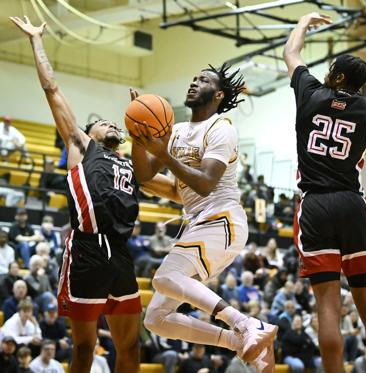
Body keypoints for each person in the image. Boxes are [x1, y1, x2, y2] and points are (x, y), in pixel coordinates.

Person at [10, 16, 141, 373]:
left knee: (130, 346)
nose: (111, 123)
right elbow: (52, 89)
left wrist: (146, 128)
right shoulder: (82, 147)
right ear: (88, 132)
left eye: (114, 122)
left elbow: (167, 178)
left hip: (121, 253)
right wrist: (37, 41)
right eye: (103, 122)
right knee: (84, 348)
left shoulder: (127, 161)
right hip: (87, 250)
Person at [132, 63, 277, 371]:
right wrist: (138, 135)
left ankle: (244, 322)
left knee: (163, 277)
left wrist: (164, 153)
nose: (194, 82)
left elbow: (206, 182)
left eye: (203, 80)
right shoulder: (177, 132)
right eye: (193, 77)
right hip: (201, 224)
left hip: (223, 219)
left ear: (218, 94)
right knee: (156, 318)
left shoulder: (221, 128)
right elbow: (145, 176)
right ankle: (239, 342)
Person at [283, 11, 366, 373]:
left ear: (334, 75)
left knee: (327, 309)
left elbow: (291, 54)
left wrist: (302, 24)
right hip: (351, 205)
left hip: (315, 206)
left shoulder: (310, 92)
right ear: (360, 86)